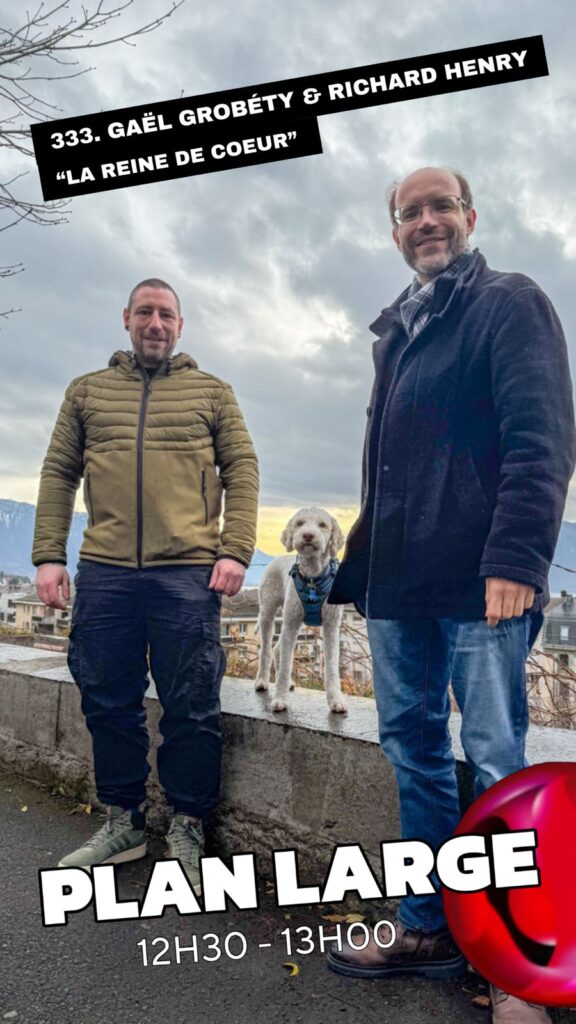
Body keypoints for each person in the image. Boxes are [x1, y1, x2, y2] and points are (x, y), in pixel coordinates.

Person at [326, 168, 575, 1023]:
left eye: (441, 207)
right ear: (395, 231)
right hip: (400, 583)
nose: (426, 221)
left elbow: (542, 438)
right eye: (410, 212)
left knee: (498, 762)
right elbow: (391, 468)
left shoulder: (510, 302)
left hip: (482, 581)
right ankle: (429, 926)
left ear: (470, 216)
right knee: (415, 753)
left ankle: (518, 965)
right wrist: (362, 571)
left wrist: (517, 558)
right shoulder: (397, 327)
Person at [33, 277, 258, 893]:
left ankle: (188, 825)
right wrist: (49, 556)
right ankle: (123, 823)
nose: (155, 323)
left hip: (187, 572)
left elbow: (242, 470)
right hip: (105, 571)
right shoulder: (87, 392)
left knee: (191, 705)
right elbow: (58, 473)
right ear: (126, 318)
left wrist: (235, 549)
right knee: (107, 700)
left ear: (180, 326)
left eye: (166, 314)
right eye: (145, 312)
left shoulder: (212, 393)